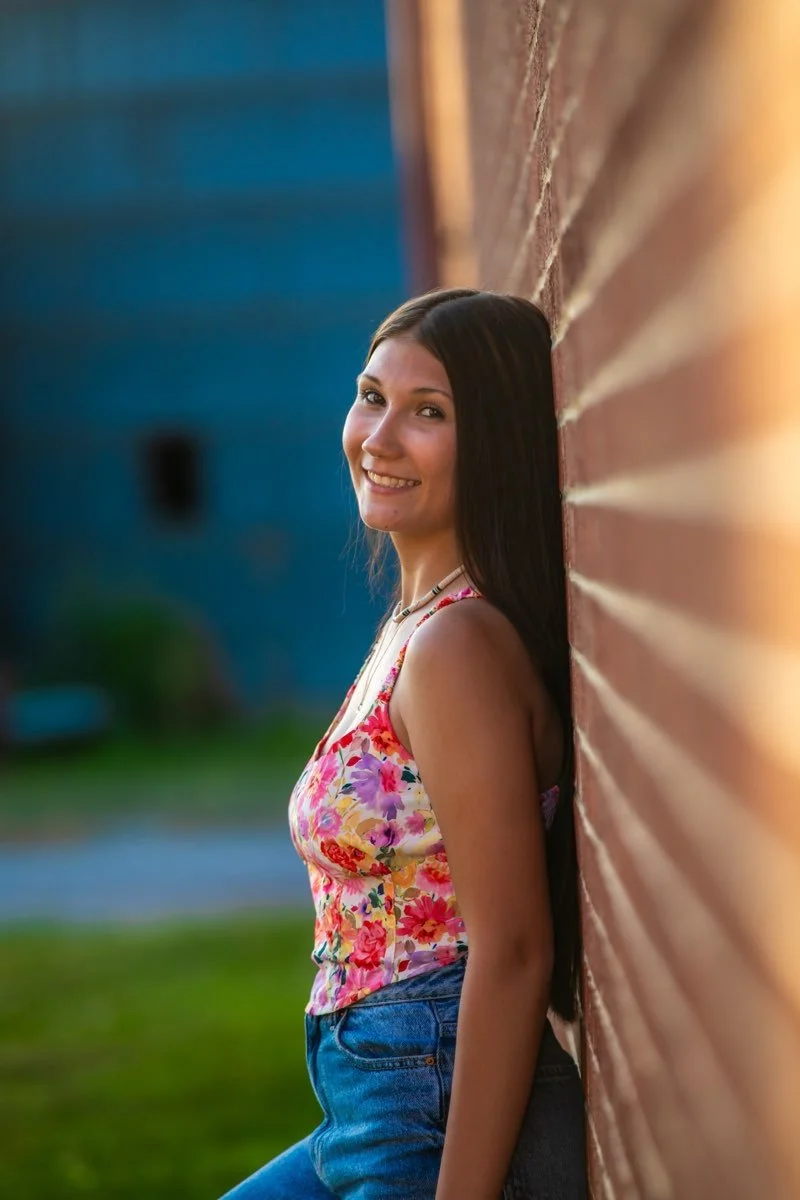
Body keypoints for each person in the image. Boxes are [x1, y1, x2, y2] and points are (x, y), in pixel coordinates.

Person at [221, 289, 587, 1199]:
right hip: (366, 1098)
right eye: (372, 394)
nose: (378, 437)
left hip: (423, 1102)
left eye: (430, 412)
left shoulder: (459, 647)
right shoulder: (414, 624)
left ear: (495, 444)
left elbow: (512, 951)